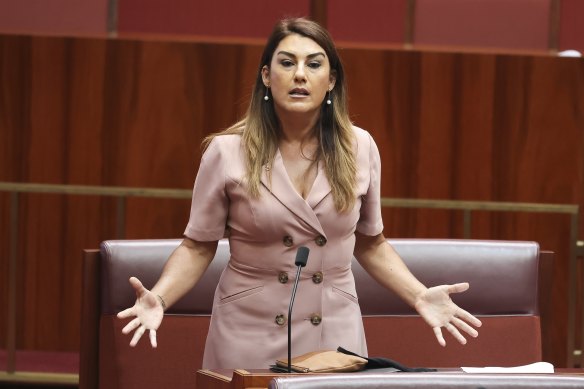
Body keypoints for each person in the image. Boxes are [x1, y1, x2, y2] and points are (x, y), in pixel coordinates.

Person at [117, 17, 482, 369]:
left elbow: (370, 242)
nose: (300, 75)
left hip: (333, 330)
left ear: (331, 80)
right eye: (287, 63)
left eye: (314, 64)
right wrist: (160, 297)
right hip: (247, 330)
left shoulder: (361, 147)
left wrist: (418, 294)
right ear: (266, 76)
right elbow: (198, 245)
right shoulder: (226, 151)